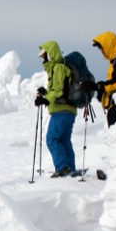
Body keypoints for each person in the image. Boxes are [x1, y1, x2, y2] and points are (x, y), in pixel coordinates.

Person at [35, 41, 78, 177]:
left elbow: (58, 91)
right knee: (64, 140)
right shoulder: (60, 67)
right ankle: (70, 168)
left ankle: (62, 167)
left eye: (44, 55)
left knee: (52, 139)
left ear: (51, 54)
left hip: (61, 110)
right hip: (69, 110)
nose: (43, 59)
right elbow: (59, 89)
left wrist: (46, 99)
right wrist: (46, 93)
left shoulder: (58, 68)